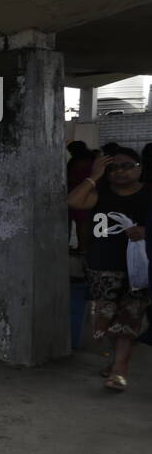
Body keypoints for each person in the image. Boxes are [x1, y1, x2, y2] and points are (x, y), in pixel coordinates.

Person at [66, 146, 150, 391]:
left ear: (139, 169)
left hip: (139, 268)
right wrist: (94, 175)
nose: (119, 172)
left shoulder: (148, 193)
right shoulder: (100, 192)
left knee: (130, 316)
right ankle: (116, 362)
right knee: (108, 320)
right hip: (102, 266)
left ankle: (119, 371)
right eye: (113, 167)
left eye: (127, 166)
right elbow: (73, 201)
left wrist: (147, 231)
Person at [67, 141, 95, 254]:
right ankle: (86, 248)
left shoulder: (77, 162)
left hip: (79, 193)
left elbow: (72, 178)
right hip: (90, 194)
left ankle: (83, 248)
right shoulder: (92, 160)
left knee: (81, 223)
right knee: (86, 223)